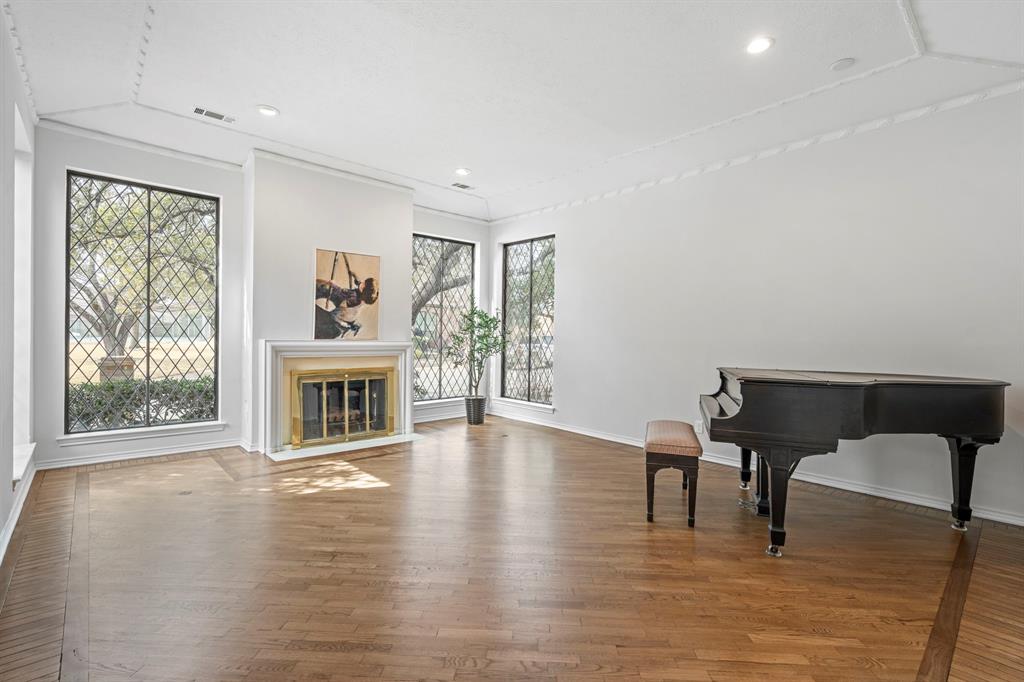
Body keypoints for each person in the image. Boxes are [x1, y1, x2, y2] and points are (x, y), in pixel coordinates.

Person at [314, 273, 378, 338]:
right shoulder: (362, 294)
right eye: (364, 282)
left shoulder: (354, 297)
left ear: (363, 291)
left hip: (336, 323)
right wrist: (354, 275)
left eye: (364, 284)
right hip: (347, 318)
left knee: (317, 315)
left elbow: (341, 292)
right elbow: (358, 283)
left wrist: (333, 284)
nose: (362, 283)